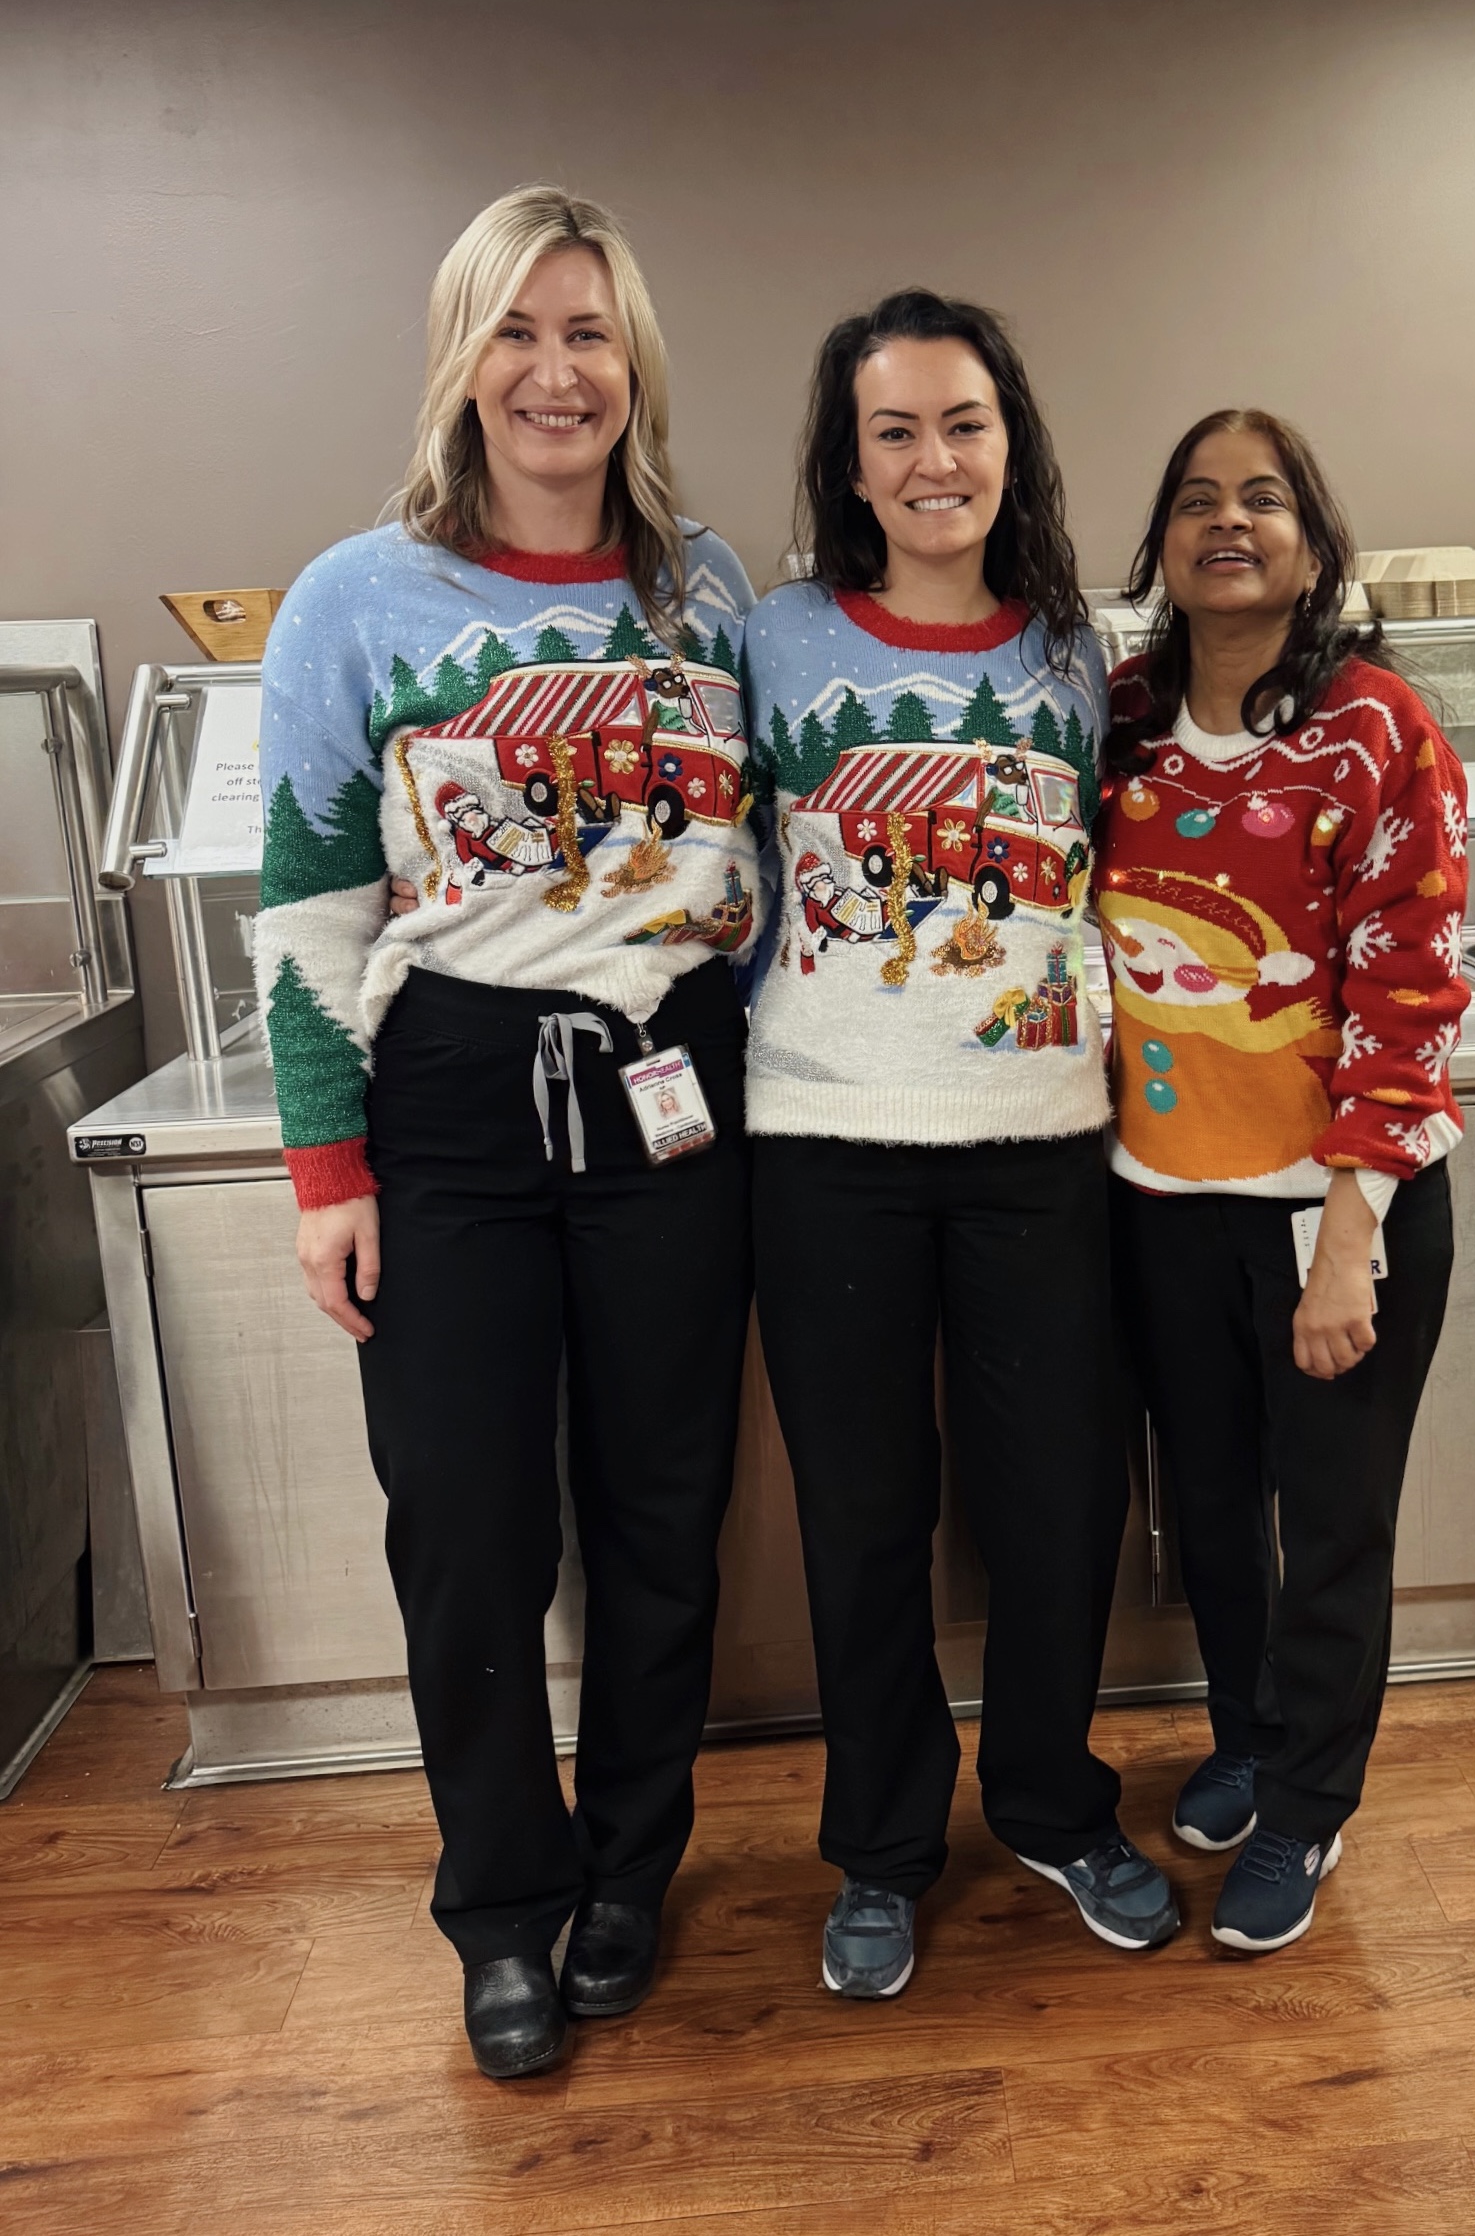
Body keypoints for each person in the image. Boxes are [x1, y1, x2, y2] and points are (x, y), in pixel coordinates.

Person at [257, 186, 758, 2078]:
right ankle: (502, 1896)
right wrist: (328, 1175)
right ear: (464, 361)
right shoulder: (357, 597)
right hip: (453, 1102)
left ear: (634, 365)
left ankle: (632, 1865)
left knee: (660, 1508)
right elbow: (306, 890)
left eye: (592, 333)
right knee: (467, 1524)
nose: (558, 372)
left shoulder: (703, 589)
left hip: (672, 1094)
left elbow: (763, 852)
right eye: (520, 331)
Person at [743, 289, 1177, 2001]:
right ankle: (880, 1846)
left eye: (965, 423)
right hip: (825, 1137)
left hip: (1039, 1141)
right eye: (897, 431)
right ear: (852, 466)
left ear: (1013, 441)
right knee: (863, 1518)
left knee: (1058, 1499)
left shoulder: (1082, 651)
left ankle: (1059, 1802)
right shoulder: (774, 639)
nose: (937, 460)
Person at [1101, 409, 1468, 1955]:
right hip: (1164, 1200)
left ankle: (1310, 1803)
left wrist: (1347, 1244)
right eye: (1196, 500)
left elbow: (1410, 997)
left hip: (1338, 1210)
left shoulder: (1379, 729)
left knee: (1327, 1521)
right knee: (1208, 1502)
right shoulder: (1117, 721)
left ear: (1314, 542)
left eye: (1264, 498)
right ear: (1164, 546)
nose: (1228, 522)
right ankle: (1248, 1730)